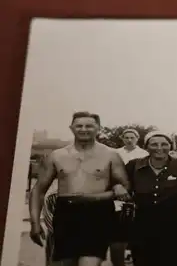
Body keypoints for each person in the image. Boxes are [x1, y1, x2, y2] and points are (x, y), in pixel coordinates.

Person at [29, 111, 131, 266]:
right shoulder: (57, 155)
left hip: (98, 213)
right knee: (65, 263)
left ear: (98, 128)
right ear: (71, 128)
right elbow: (38, 190)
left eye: (89, 126)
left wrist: (117, 187)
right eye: (79, 125)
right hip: (66, 212)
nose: (84, 129)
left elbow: (126, 187)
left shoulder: (110, 155)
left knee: (89, 263)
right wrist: (35, 223)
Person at [125, 130, 177, 266]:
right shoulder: (134, 165)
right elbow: (121, 182)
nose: (159, 148)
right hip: (143, 222)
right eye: (154, 144)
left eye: (164, 144)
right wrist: (118, 186)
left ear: (171, 146)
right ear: (146, 147)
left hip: (176, 222)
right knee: (144, 260)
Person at [112, 128, 149, 266]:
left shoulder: (143, 153)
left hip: (138, 189)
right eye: (126, 137)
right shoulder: (116, 153)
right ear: (122, 139)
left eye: (132, 137)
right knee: (121, 224)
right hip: (120, 190)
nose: (129, 140)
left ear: (137, 138)